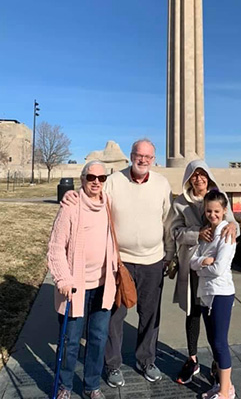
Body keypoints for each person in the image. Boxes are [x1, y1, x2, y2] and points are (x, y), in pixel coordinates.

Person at [62, 139, 173, 387]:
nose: (142, 160)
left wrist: (169, 255)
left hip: (152, 260)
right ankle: (112, 365)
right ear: (131, 155)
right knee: (114, 316)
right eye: (138, 155)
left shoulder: (162, 184)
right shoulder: (113, 181)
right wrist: (72, 195)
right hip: (120, 262)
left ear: (153, 159)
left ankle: (146, 360)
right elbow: (93, 200)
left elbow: (169, 222)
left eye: (147, 156)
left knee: (150, 314)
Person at [48, 161, 118, 399]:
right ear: (82, 179)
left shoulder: (108, 203)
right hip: (75, 287)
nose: (96, 181)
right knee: (70, 342)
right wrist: (62, 279)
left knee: (98, 339)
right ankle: (65, 386)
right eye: (91, 177)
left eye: (101, 177)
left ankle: (91, 386)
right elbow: (56, 246)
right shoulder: (71, 206)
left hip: (102, 284)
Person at [171, 160, 239, 385]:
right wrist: (196, 234)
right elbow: (175, 231)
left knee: (214, 319)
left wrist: (233, 227)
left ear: (208, 176)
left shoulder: (219, 196)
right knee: (193, 313)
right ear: (188, 178)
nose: (198, 178)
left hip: (214, 269)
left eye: (202, 174)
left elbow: (233, 224)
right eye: (194, 175)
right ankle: (192, 359)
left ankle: (218, 364)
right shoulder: (181, 203)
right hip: (193, 264)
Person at [190, 190, 236, 399]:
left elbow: (218, 269)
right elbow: (193, 260)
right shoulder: (206, 233)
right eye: (209, 210)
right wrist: (201, 263)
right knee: (212, 340)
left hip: (221, 293)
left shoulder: (227, 234)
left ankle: (226, 392)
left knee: (219, 342)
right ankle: (222, 386)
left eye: (217, 211)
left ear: (224, 211)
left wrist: (201, 267)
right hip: (206, 293)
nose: (212, 214)